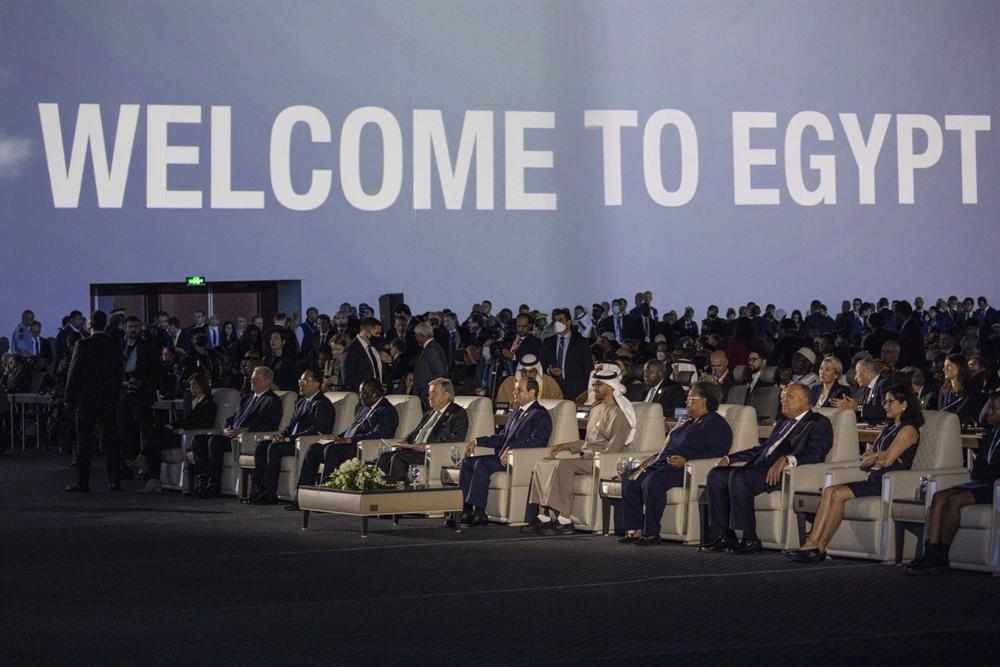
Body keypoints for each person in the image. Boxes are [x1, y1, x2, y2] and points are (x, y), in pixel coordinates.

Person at [787, 384, 923, 563]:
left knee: (837, 493)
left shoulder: (908, 430)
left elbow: (887, 460)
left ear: (904, 405)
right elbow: (869, 455)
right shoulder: (887, 428)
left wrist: (878, 457)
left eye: (890, 402)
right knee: (829, 491)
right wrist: (877, 456)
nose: (885, 406)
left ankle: (819, 546)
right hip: (874, 477)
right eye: (885, 402)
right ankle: (813, 543)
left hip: (890, 483)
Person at [700, 384, 833, 554]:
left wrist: (786, 460)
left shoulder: (818, 422)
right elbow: (762, 450)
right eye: (783, 396)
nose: (782, 400)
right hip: (758, 468)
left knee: (738, 477)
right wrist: (730, 458)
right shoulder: (783, 422)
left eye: (789, 396)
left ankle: (750, 538)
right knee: (716, 475)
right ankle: (723, 535)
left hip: (781, 474)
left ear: (805, 402)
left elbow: (817, 453)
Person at [524, 369, 634, 535]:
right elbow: (590, 441)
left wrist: (595, 458)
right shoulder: (597, 409)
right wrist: (565, 446)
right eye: (594, 384)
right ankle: (543, 516)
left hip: (601, 461)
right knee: (542, 463)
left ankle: (565, 520)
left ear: (611, 387)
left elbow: (613, 449)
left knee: (564, 466)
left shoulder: (618, 414)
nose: (594, 388)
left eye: (599, 385)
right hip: (586, 457)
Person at [620, 382, 732, 544]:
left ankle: (651, 532)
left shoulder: (716, 424)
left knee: (653, 482)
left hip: (686, 468)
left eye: (691, 398)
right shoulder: (687, 422)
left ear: (705, 401)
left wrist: (687, 461)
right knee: (630, 478)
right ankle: (636, 529)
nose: (686, 401)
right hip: (664, 463)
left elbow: (717, 454)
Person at [906, 389, 1000, 574]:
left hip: (994, 486)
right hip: (979, 481)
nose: (989, 412)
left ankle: (943, 552)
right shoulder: (992, 433)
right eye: (990, 407)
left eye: (994, 409)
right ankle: (931, 551)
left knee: (954, 501)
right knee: (939, 497)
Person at [454, 377, 552, 527]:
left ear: (532, 392)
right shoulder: (515, 412)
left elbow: (537, 442)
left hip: (519, 460)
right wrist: (477, 441)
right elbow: (502, 437)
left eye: (519, 390)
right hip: (502, 457)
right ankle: (465, 509)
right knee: (467, 462)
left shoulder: (540, 414)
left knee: (482, 464)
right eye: (515, 389)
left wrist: (512, 449)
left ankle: (479, 512)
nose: (514, 392)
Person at [289, 379, 399, 508]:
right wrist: (338, 437)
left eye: (363, 394)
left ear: (375, 395)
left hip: (361, 447)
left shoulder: (387, 411)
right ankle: (302, 497)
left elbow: (377, 435)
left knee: (331, 450)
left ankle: (327, 498)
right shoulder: (364, 408)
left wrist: (348, 440)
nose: (360, 397)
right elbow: (352, 428)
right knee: (314, 448)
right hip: (347, 442)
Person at [190, 366, 283, 498]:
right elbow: (232, 417)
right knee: (198, 440)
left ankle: (214, 484)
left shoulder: (272, 400)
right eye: (251, 379)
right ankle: (202, 481)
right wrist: (226, 427)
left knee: (214, 441)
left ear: (267, 381)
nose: (252, 382)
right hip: (230, 435)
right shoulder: (247, 398)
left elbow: (271, 425)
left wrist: (244, 430)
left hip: (245, 439)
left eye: (256, 379)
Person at [248, 369, 336, 505]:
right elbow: (290, 426)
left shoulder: (322, 404)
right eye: (300, 381)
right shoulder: (301, 403)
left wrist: (289, 439)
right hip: (291, 440)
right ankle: (259, 490)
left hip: (304, 442)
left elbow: (316, 430)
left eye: (304, 382)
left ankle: (270, 493)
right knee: (262, 445)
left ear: (317, 384)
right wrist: (281, 435)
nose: (300, 385)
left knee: (274, 448)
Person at [65, 311, 124, 492]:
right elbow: (118, 373)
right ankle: (114, 481)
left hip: (86, 399)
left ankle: (83, 482)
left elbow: (74, 373)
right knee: (111, 440)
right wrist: (115, 394)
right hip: (107, 398)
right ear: (105, 324)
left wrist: (69, 397)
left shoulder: (82, 345)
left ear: (90, 324)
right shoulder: (114, 345)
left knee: (84, 440)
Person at [132, 373, 218, 493]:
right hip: (181, 432)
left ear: (202, 386)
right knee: (156, 436)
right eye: (191, 385)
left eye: (194, 385)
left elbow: (197, 422)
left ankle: (142, 460)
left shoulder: (208, 404)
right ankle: (153, 477)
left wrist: (175, 426)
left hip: (190, 436)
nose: (192, 388)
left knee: (157, 434)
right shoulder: (192, 402)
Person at [375, 378, 469, 483]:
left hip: (432, 453)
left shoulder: (457, 413)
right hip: (415, 450)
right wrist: (405, 441)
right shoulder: (430, 413)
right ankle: (381, 490)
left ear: (446, 395)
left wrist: (428, 445)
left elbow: (457, 438)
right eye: (429, 394)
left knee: (398, 459)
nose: (430, 397)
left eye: (434, 394)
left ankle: (401, 492)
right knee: (384, 456)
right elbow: (417, 431)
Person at [117, 317, 158, 468]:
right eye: (130, 326)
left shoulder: (147, 345)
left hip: (141, 392)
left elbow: (154, 368)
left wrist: (141, 381)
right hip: (123, 391)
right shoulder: (120, 345)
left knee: (145, 427)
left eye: (135, 326)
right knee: (124, 427)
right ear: (125, 328)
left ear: (140, 327)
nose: (133, 329)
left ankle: (147, 461)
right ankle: (127, 460)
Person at [540, 308, 594, 402]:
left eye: (560, 320)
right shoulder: (548, 342)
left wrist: (588, 390)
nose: (557, 323)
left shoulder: (581, 342)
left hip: (576, 389)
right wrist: (549, 370)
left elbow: (588, 367)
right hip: (554, 387)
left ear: (568, 322)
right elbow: (542, 364)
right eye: (555, 320)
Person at [832, 358, 889, 422]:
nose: (855, 377)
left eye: (857, 373)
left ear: (865, 372)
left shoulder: (884, 384)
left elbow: (885, 411)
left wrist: (858, 407)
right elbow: (866, 413)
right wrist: (850, 408)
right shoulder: (868, 389)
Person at [936, 354, 986, 426]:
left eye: (948, 366)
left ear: (960, 367)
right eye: (944, 366)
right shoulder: (944, 391)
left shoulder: (971, 391)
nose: (944, 369)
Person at [494, 354, 563, 404]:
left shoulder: (549, 382)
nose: (527, 375)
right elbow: (501, 405)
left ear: (537, 371)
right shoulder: (509, 383)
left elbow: (558, 404)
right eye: (524, 371)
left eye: (531, 371)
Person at [411, 321, 448, 409]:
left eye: (416, 336)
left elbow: (440, 373)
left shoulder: (431, 349)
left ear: (421, 335)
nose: (416, 339)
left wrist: (426, 390)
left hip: (429, 397)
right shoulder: (433, 347)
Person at [340, 317, 384, 392]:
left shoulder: (374, 349)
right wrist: (371, 387)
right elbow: (347, 379)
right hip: (361, 397)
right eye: (376, 333)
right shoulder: (351, 350)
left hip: (378, 395)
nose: (378, 336)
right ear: (366, 332)